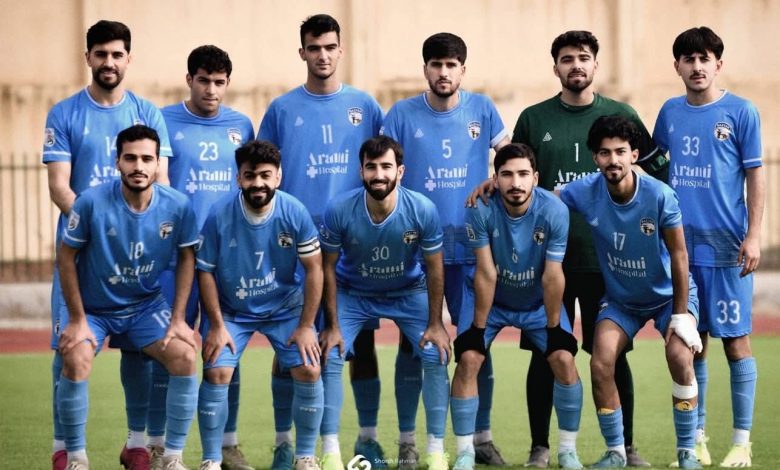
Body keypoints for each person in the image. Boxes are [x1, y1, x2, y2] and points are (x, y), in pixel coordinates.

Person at [468, 30, 667, 468]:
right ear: (555, 66)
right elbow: (517, 171)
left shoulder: (622, 114)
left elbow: (657, 176)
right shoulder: (534, 118)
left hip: (606, 263)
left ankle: (625, 447)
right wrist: (491, 182)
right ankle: (540, 447)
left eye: (583, 57)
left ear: (596, 63)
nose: (576, 65)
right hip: (546, 264)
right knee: (547, 353)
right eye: (567, 58)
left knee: (611, 356)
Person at [41, 20, 172, 470]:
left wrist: (134, 232)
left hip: (135, 260)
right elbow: (60, 186)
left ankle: (137, 444)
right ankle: (65, 449)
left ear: (128, 59)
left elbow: (162, 183)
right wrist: (98, 229)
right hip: (82, 257)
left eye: (117, 54)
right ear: (88, 58)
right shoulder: (64, 113)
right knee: (69, 347)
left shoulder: (148, 114)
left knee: (139, 350)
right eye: (101, 54)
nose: (109, 62)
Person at [258, 14, 384, 470]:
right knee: (292, 343)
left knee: (360, 344)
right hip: (296, 247)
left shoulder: (365, 106)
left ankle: (368, 439)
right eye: (314, 48)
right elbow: (264, 172)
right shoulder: (281, 109)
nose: (323, 55)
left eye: (330, 47)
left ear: (340, 50)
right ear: (303, 53)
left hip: (354, 246)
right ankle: (284, 443)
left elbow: (382, 169)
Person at [380, 32, 509, 468]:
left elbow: (509, 157)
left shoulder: (483, 109)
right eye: (436, 64)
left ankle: (481, 439)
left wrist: (497, 177)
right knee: (412, 346)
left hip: (472, 249)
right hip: (417, 252)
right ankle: (407, 442)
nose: (443, 72)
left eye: (451, 65)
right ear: (425, 69)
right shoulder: (401, 114)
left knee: (475, 345)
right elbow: (384, 171)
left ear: (463, 70)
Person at [560, 115, 702, 469]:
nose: (613, 160)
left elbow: (679, 254)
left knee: (679, 357)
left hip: (668, 298)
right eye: (605, 153)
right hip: (622, 300)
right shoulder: (584, 191)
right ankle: (616, 453)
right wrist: (498, 185)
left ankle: (688, 452)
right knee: (600, 361)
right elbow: (544, 199)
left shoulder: (659, 195)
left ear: (634, 154)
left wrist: (681, 315)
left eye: (620, 151)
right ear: (595, 157)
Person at [56, 125, 199, 470]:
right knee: (75, 358)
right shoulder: (90, 202)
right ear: (117, 161)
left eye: (147, 159)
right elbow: (65, 256)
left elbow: (187, 257)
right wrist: (77, 319)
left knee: (185, 356)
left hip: (144, 306)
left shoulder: (178, 206)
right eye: (130, 158)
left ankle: (171, 457)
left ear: (158, 163)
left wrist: (179, 319)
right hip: (93, 308)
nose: (139, 166)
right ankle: (76, 458)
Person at [653, 26, 764, 468]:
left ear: (719, 64)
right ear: (677, 66)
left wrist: (754, 234)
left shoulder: (741, 112)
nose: (697, 67)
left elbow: (755, 174)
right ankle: (697, 438)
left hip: (727, 248)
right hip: (681, 249)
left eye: (705, 59)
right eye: (689, 59)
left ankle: (741, 442)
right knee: (691, 341)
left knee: (736, 343)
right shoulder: (669, 112)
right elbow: (657, 171)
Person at [318, 136, 451, 470]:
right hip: (354, 293)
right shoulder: (339, 209)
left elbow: (435, 268)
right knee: (330, 353)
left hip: (408, 292)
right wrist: (331, 326)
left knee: (436, 353)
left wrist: (437, 324)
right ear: (361, 171)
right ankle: (330, 453)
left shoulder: (422, 209)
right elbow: (326, 267)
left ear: (400, 171)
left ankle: (434, 451)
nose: (378, 174)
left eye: (386, 167)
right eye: (371, 167)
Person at [452, 143, 584, 470]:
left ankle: (568, 451)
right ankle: (465, 453)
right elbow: (486, 272)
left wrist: (553, 328)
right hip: (492, 301)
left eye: (523, 174)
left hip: (536, 301)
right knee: (469, 359)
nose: (516, 182)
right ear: (495, 179)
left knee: (563, 359)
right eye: (507, 175)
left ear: (535, 178)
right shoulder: (479, 208)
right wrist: (477, 330)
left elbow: (553, 275)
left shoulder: (554, 211)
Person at [195, 140, 325, 470]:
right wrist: (217, 325)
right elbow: (205, 271)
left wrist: (306, 326)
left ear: (278, 177)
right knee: (217, 370)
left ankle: (305, 457)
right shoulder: (219, 215)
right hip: (232, 312)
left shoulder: (294, 211)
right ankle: (211, 460)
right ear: (238, 177)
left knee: (309, 367)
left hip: (284, 308)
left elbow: (314, 269)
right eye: (250, 175)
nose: (258, 183)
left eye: (266, 175)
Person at [155, 44, 255, 470]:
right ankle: (158, 445)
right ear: (189, 80)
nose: (211, 89)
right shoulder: (163, 120)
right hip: (174, 258)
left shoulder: (241, 125)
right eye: (203, 81)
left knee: (224, 347)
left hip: (226, 259)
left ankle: (227, 445)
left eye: (219, 82)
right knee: (169, 348)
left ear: (227, 83)